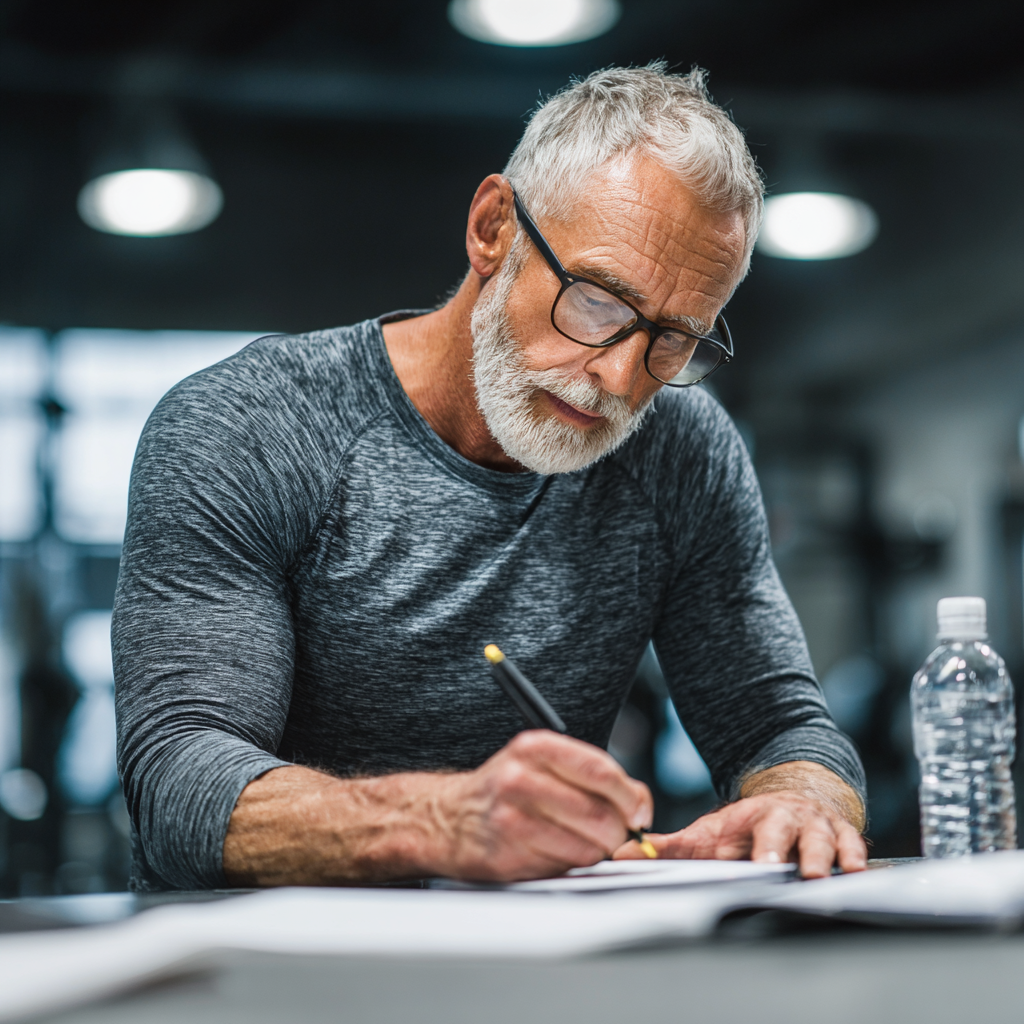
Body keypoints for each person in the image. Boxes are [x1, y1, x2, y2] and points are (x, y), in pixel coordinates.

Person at [113, 64, 868, 892]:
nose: (619, 378)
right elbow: (179, 781)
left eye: (673, 340)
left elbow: (781, 726)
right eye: (596, 303)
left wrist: (801, 799)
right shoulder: (250, 426)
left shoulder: (678, 450)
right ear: (492, 228)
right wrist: (444, 823)